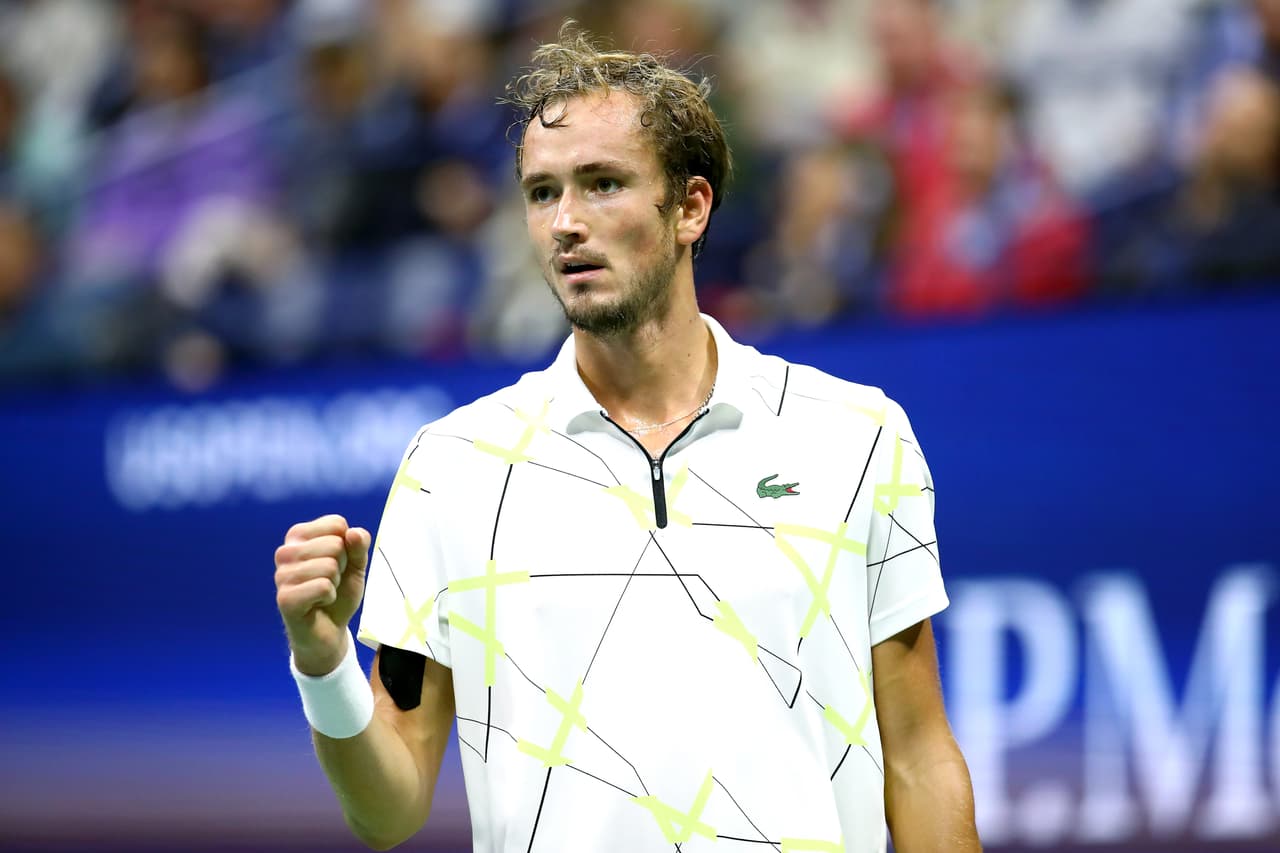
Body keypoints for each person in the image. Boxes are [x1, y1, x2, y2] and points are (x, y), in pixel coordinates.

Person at [274, 23, 980, 853]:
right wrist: (322, 663)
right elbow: (386, 811)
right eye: (542, 193)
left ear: (690, 207)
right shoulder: (450, 467)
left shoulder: (856, 435)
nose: (565, 222)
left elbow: (919, 755)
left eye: (602, 183)